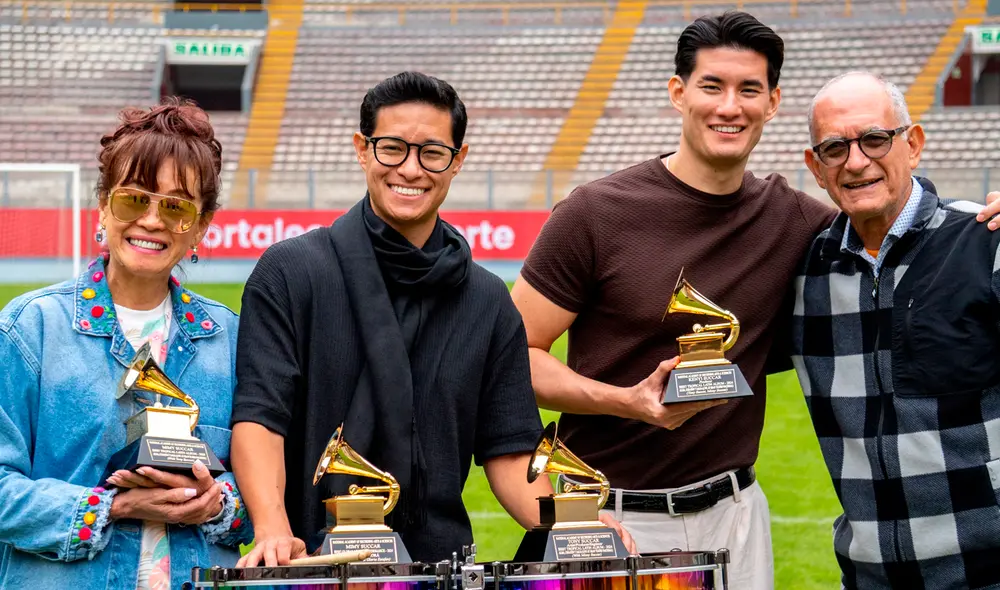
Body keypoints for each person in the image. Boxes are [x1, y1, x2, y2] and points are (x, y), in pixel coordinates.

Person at [511, 12, 1000, 590]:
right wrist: (627, 401)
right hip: (612, 514)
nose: (729, 106)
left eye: (749, 89)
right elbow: (513, 360)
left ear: (772, 103)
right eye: (712, 86)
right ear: (678, 93)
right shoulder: (596, 212)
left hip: (738, 515)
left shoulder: (802, 225)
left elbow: (888, 220)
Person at [230, 71, 635, 567]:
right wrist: (272, 527)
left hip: (440, 567)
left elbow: (509, 451)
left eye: (432, 153)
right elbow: (259, 418)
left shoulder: (487, 300)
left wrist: (570, 520)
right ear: (363, 149)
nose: (411, 169)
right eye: (392, 148)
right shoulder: (291, 272)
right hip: (308, 562)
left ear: (457, 160)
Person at [0, 99, 253, 590]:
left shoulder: (232, 339)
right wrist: (112, 506)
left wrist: (220, 503)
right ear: (103, 205)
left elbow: (265, 498)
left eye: (177, 207)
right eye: (135, 199)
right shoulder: (30, 328)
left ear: (201, 226)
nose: (153, 220)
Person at [790, 72, 1000, 590]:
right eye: (835, 147)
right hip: (869, 577)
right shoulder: (804, 278)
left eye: (875, 139)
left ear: (913, 144)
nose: (856, 161)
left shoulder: (986, 244)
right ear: (815, 168)